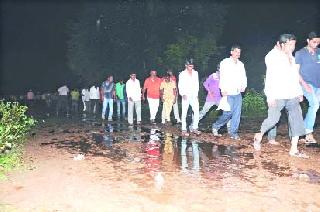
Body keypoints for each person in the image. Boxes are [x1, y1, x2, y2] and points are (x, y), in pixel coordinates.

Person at [253, 34, 307, 158]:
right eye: (290, 44)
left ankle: (294, 149)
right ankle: (259, 135)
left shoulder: (292, 58)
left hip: (292, 94)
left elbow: (295, 76)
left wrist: (299, 92)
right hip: (277, 94)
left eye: (294, 44)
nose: (293, 47)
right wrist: (269, 96)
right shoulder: (272, 57)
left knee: (297, 120)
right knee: (273, 119)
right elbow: (270, 78)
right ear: (282, 45)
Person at [211, 45, 247, 140]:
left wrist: (244, 85)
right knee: (228, 113)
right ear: (231, 52)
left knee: (237, 113)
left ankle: (233, 132)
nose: (237, 54)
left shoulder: (241, 64)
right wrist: (222, 89)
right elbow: (223, 76)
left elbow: (243, 76)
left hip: (237, 92)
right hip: (228, 92)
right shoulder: (225, 62)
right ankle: (216, 126)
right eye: (236, 52)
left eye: (239, 52)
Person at [296, 31, 320, 144]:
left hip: (318, 85)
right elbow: (296, 72)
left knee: (315, 106)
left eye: (318, 42)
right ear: (308, 41)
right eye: (314, 41)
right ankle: (308, 133)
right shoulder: (300, 53)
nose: (316, 43)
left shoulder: (319, 52)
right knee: (314, 104)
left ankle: (303, 131)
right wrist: (304, 84)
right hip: (305, 83)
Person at [178, 59, 201, 136]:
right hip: (186, 95)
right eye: (189, 65)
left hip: (194, 95)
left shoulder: (195, 73)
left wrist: (197, 94)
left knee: (197, 112)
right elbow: (180, 85)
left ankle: (195, 128)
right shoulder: (182, 74)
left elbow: (197, 84)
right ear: (186, 65)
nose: (191, 66)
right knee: (184, 113)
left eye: (192, 65)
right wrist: (182, 94)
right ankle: (184, 129)